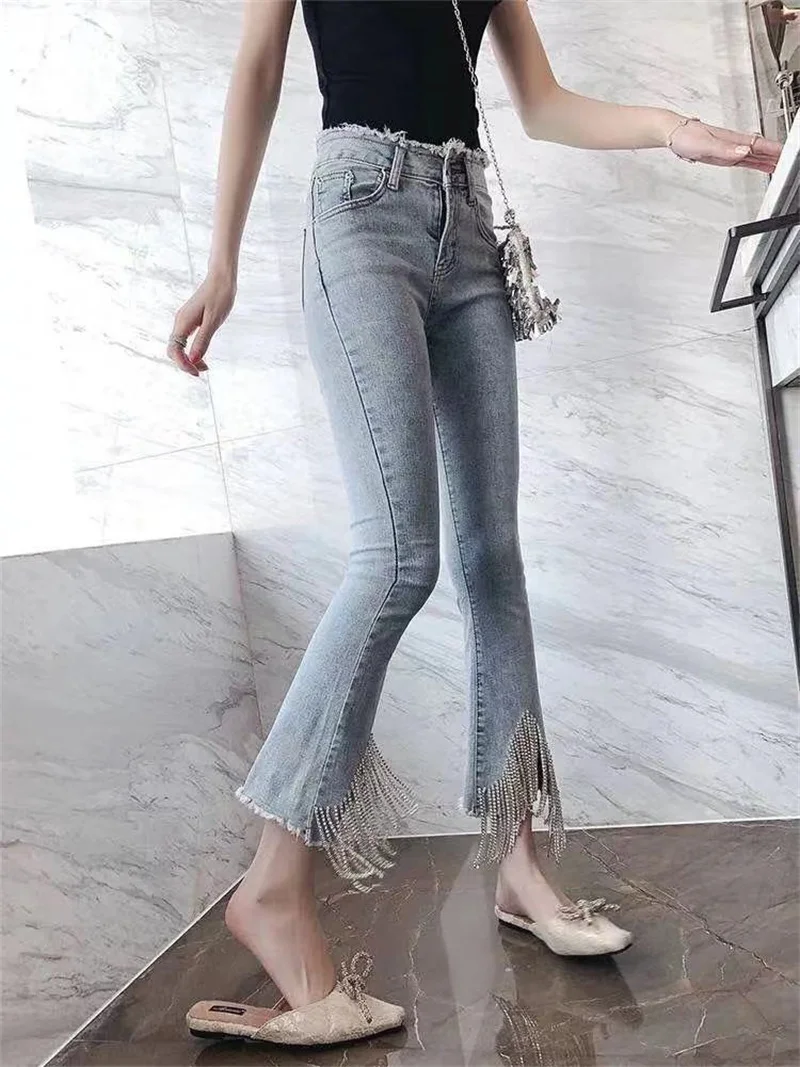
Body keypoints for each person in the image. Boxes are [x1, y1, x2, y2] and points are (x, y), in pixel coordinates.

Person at [172, 0, 781, 1048]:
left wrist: (674, 129)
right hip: (359, 210)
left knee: (492, 557)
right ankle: (272, 880)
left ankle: (520, 866)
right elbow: (259, 69)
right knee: (395, 556)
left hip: (469, 225)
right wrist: (220, 259)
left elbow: (540, 103)